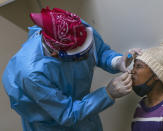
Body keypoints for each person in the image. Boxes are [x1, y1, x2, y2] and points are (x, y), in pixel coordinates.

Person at [2, 7, 140, 131]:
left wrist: (117, 62)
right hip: (53, 124)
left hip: (85, 110)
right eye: (81, 54)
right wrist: (108, 93)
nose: (86, 55)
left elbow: (99, 51)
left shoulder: (74, 27)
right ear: (56, 53)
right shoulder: (32, 74)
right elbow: (66, 114)